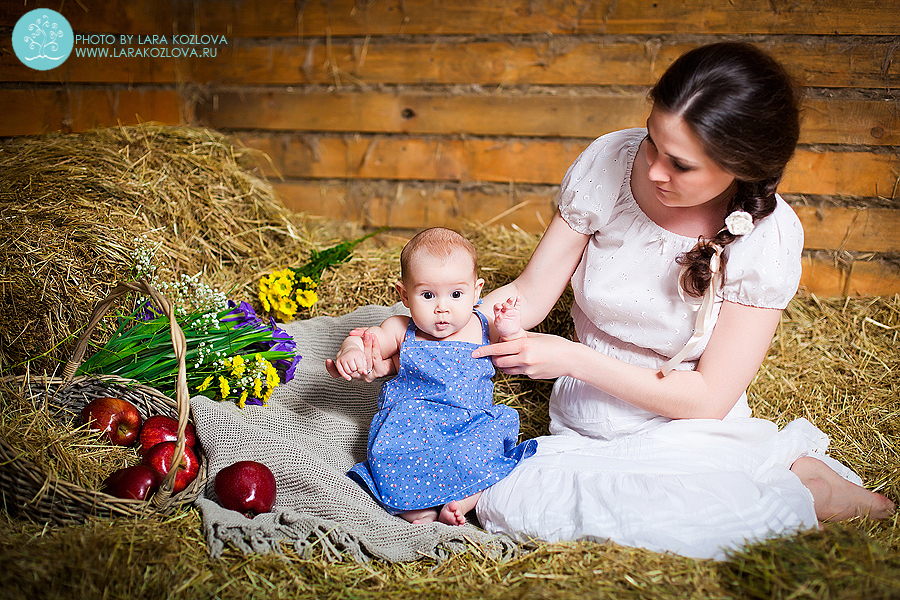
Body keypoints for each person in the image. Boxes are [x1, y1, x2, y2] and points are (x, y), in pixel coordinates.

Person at [353, 42, 894, 558]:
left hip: (689, 418)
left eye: (681, 164)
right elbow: (526, 295)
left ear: (742, 166)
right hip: (587, 414)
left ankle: (788, 478)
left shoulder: (768, 237)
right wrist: (426, 331)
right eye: (654, 142)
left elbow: (708, 396)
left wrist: (571, 358)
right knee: (508, 503)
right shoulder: (610, 164)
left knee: (688, 520)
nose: (655, 168)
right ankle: (784, 478)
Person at [326, 227, 537, 526]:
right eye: (427, 295)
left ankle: (461, 502)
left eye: (456, 294)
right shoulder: (401, 329)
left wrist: (511, 329)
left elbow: (517, 349)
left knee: (485, 448)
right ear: (404, 295)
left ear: (476, 292)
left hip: (469, 422)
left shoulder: (482, 325)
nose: (442, 307)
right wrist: (352, 352)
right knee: (396, 451)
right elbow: (365, 338)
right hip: (413, 421)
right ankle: (415, 508)